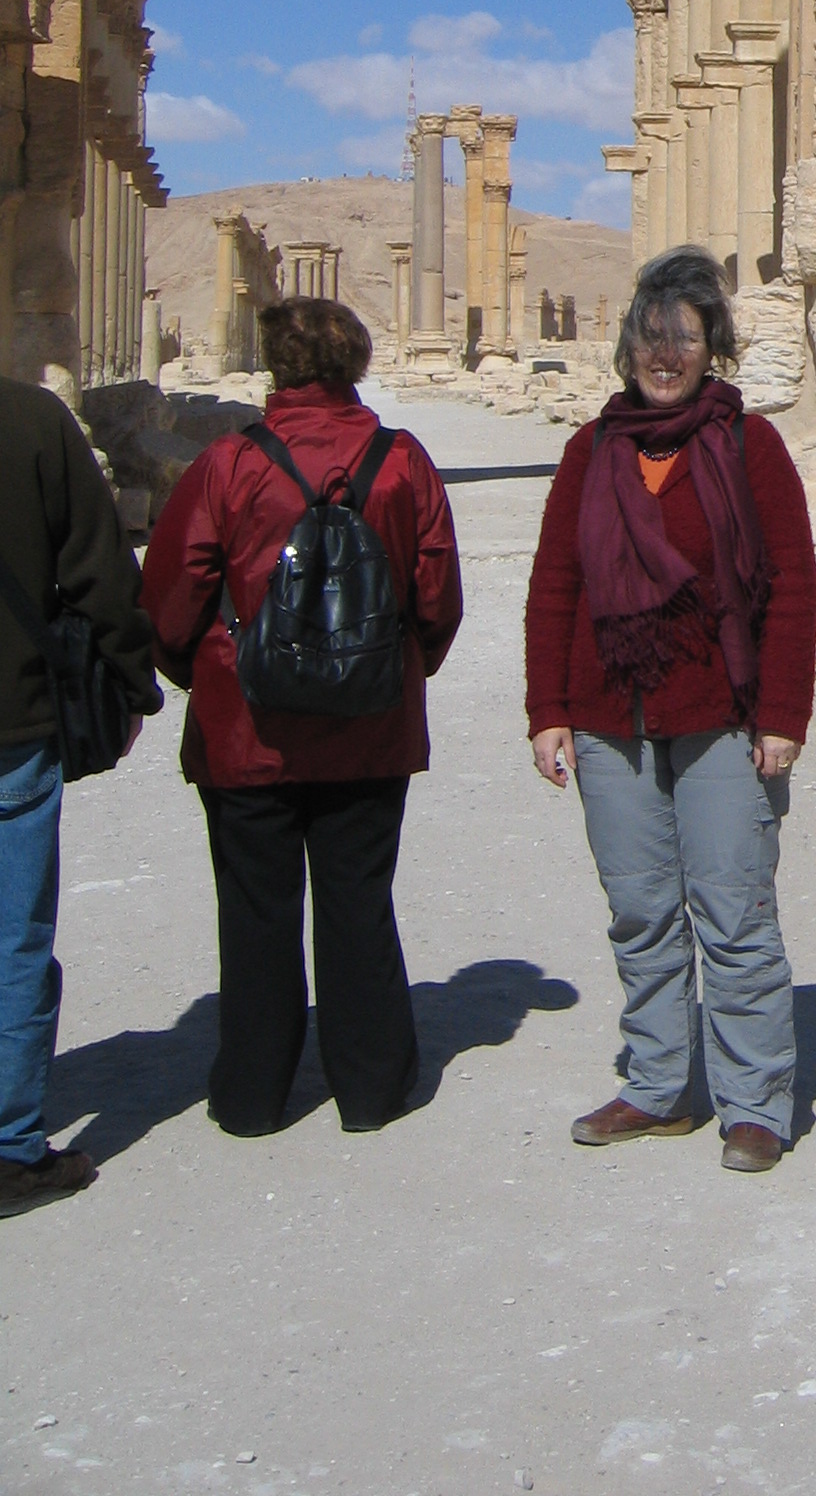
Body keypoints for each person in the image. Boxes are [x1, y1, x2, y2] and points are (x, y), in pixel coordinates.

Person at [525, 245, 816, 1173]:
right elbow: (555, 584)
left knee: (734, 911)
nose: (665, 355)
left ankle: (754, 1102)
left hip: (722, 713)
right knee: (641, 913)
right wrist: (547, 709)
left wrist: (783, 714)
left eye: (684, 338)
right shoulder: (592, 450)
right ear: (628, 347)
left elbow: (793, 585)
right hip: (609, 716)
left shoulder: (749, 445)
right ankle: (657, 1088)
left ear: (711, 347)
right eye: (652, 338)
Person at [142, 297, 462, 1137]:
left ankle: (252, 1097)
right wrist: (399, 667)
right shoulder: (401, 461)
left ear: (276, 364)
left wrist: (201, 672)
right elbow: (436, 595)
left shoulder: (229, 462)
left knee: (256, 911)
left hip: (247, 728)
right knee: (359, 903)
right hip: (370, 725)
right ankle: (371, 1089)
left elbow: (172, 592)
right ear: (356, 362)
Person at [0, 378, 160, 1216]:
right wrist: (133, 684)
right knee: (14, 944)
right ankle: (9, 1150)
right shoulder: (32, 419)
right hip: (14, 725)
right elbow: (99, 567)